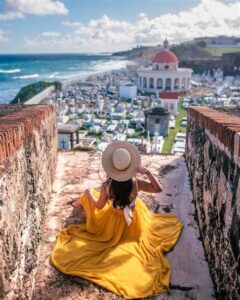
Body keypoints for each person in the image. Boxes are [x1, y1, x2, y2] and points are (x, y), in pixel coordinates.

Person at [51, 141, 183, 299]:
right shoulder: (136, 183)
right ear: (130, 166)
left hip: (112, 223)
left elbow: (99, 207)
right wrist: (147, 172)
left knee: (88, 193)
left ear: (112, 168)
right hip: (134, 222)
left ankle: (78, 201)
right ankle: (78, 201)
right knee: (100, 196)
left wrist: (89, 195)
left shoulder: (107, 185)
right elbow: (158, 189)